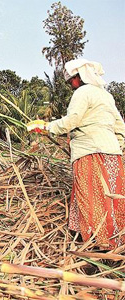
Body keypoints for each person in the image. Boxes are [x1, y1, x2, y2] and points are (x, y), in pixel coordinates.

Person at [27, 59, 125, 249]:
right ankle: (118, 239)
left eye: (70, 80)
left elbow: (72, 120)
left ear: (79, 77)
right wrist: (116, 147)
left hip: (90, 154)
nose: (69, 85)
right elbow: (120, 127)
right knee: (113, 199)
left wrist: (45, 127)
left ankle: (101, 245)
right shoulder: (106, 96)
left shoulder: (82, 93)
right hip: (112, 154)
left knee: (93, 200)